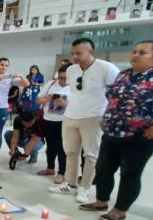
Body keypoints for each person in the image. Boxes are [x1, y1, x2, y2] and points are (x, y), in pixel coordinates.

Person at [79, 41, 153, 220]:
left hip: (141, 136)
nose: (136, 55)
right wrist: (105, 117)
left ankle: (120, 210)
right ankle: (101, 201)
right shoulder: (124, 74)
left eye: (143, 52)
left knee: (129, 173)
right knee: (103, 169)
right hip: (112, 132)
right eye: (134, 51)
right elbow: (114, 99)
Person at [49, 38, 120, 203]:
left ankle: (85, 188)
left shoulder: (106, 68)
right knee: (71, 153)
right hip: (70, 116)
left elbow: (117, 94)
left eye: (78, 53)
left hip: (94, 117)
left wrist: (108, 115)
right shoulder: (72, 70)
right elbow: (76, 92)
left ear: (91, 52)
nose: (75, 57)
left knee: (90, 154)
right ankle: (71, 184)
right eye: (73, 53)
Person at [36, 64, 71, 183]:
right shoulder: (51, 84)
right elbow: (38, 99)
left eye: (65, 78)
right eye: (60, 78)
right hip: (48, 120)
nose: (62, 81)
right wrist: (47, 99)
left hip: (65, 121)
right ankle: (50, 168)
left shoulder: (75, 86)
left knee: (62, 148)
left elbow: (80, 106)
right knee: (50, 146)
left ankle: (62, 172)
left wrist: (65, 104)